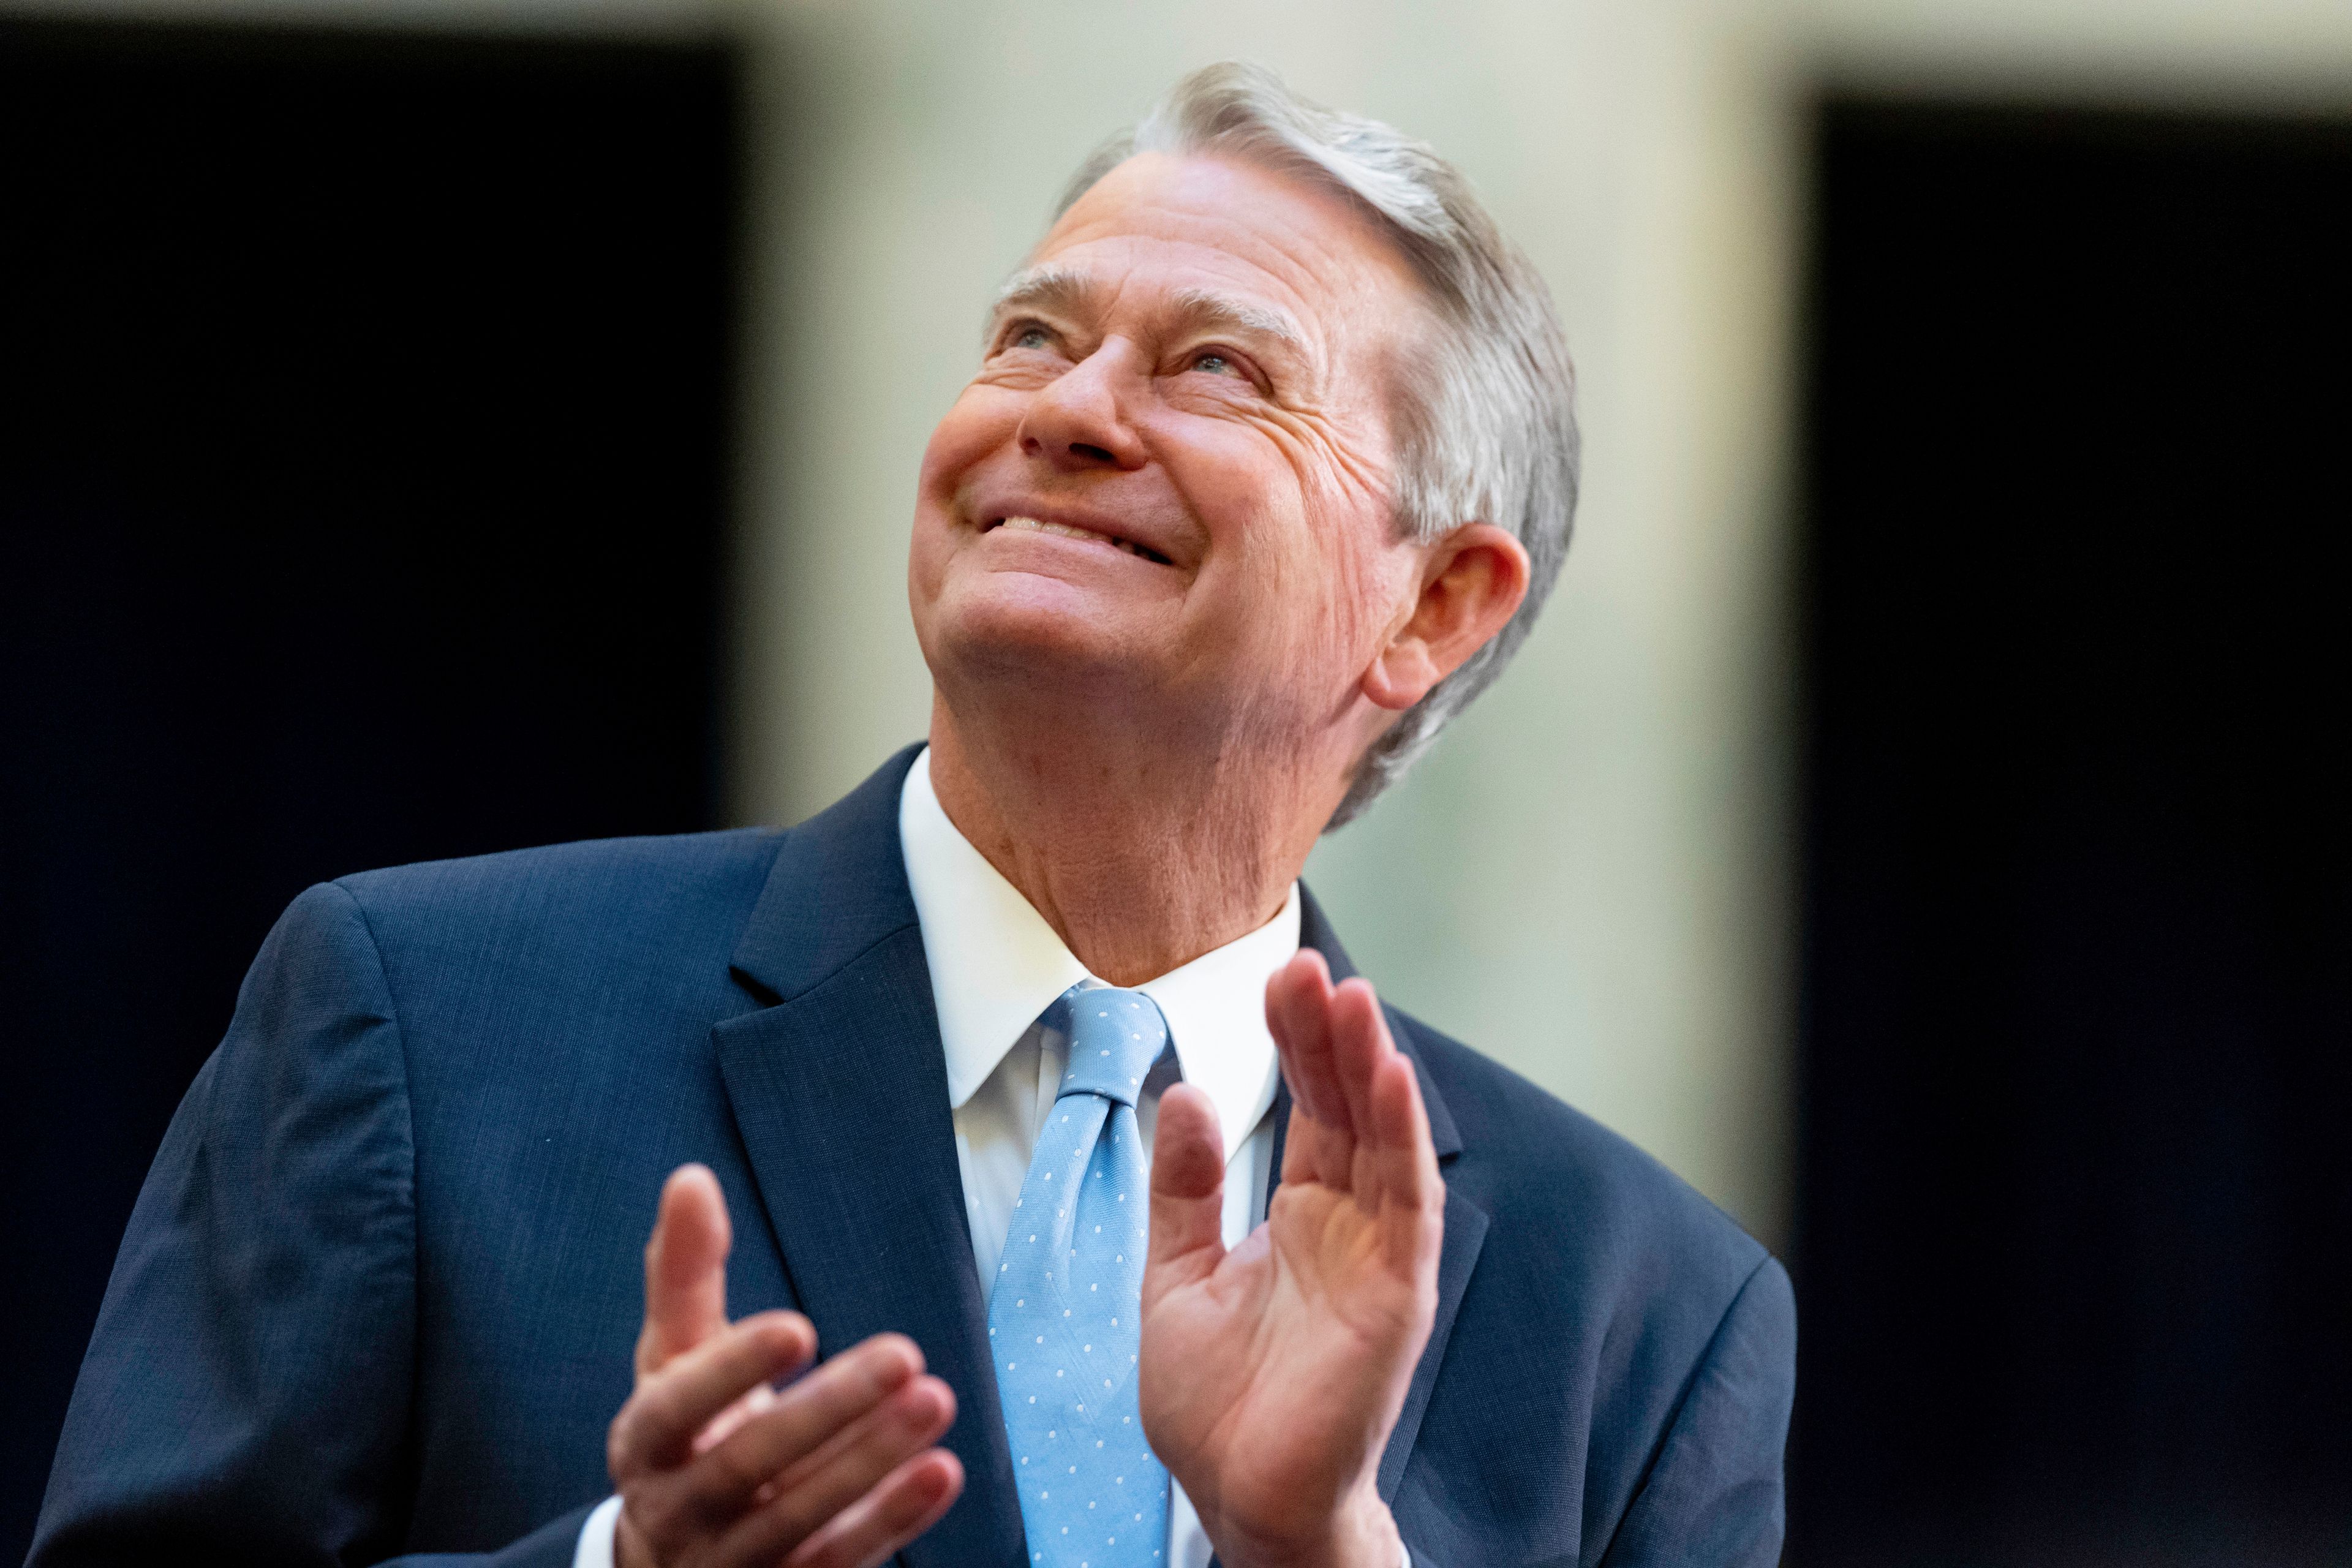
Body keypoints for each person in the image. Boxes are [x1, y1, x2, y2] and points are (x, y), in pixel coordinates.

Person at [30, 62, 1793, 1568]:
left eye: (1217, 371)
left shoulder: (1643, 1317)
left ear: (1434, 609)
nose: (1072, 411)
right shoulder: (423, 1021)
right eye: (1034, 335)